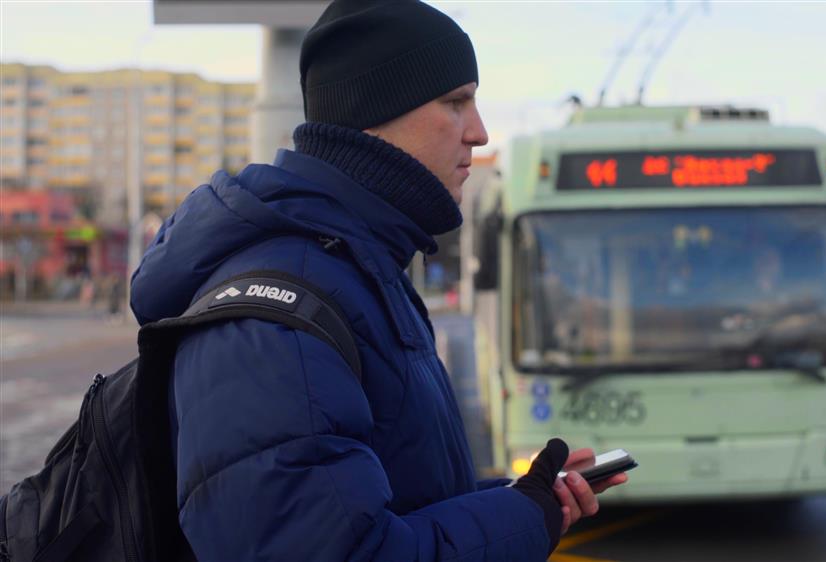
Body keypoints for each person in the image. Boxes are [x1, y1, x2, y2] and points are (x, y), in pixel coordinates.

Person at [128, 1, 625, 560]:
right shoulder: (280, 312)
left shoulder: (355, 271)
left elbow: (389, 503)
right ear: (375, 112)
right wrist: (520, 518)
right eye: (456, 102)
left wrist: (530, 502)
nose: (480, 133)